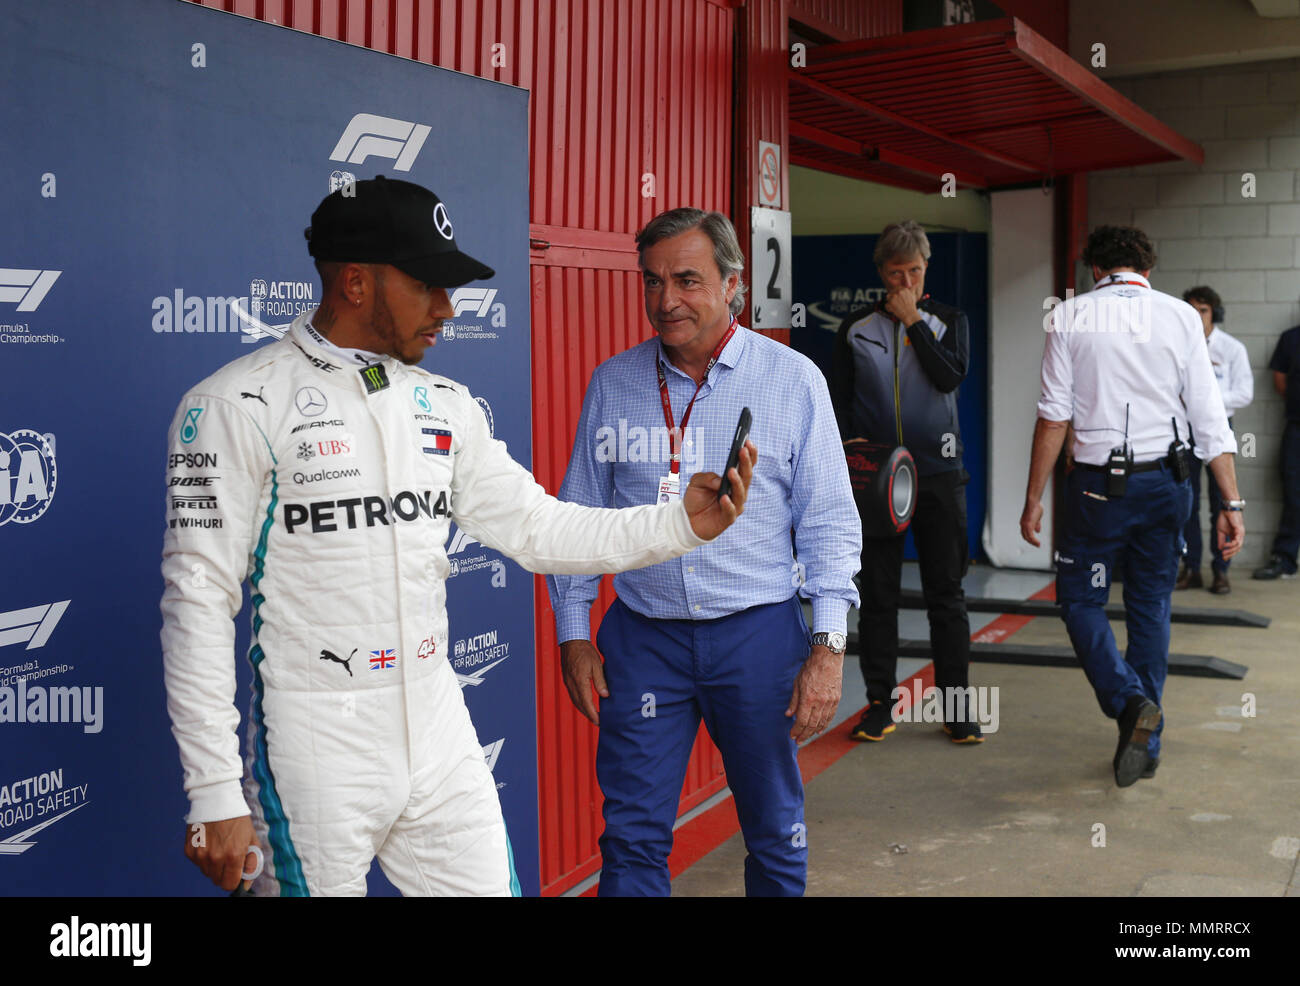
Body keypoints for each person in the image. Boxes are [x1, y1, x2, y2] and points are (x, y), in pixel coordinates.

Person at [160, 178, 754, 897]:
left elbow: (540, 528)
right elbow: (197, 600)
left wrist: (678, 524)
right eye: (428, 284)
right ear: (355, 282)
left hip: (438, 724)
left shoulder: (444, 405)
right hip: (316, 740)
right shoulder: (234, 404)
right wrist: (215, 791)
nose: (448, 307)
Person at [547, 207, 860, 897]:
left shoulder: (793, 381)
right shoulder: (614, 383)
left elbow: (831, 525)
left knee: (775, 831)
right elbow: (577, 522)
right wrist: (573, 634)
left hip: (759, 637)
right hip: (644, 640)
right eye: (652, 282)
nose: (665, 301)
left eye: (687, 280)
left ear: (732, 283)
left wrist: (828, 651)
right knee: (631, 838)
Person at [1020, 225, 1244, 787]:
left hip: (1099, 490)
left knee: (1080, 599)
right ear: (1147, 267)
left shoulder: (1070, 316)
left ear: (1094, 269)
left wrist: (1032, 499)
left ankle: (1128, 703)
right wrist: (1232, 502)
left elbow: (1054, 414)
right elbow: (1209, 417)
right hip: (1170, 485)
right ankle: (1148, 739)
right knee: (1150, 608)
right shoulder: (1181, 317)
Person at [829, 220, 981, 744]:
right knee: (878, 594)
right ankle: (879, 705)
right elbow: (841, 405)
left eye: (914, 272)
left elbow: (949, 377)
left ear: (925, 269)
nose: (905, 282)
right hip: (878, 483)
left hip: (939, 475)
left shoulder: (948, 320)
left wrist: (914, 320)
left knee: (947, 594)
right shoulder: (855, 328)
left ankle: (957, 708)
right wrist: (853, 457)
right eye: (896, 274)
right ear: (881, 274)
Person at [1175, 287, 1251, 594]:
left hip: (1220, 426)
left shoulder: (1232, 349)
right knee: (1187, 500)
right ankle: (1192, 568)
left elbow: (1245, 393)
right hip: (1184, 429)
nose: (1197, 316)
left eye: (1203, 310)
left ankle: (1221, 570)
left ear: (1214, 314)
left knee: (1222, 500)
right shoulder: (1177, 346)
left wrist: (1205, 395)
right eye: (1191, 309)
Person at [1252, 323, 1300, 580]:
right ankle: (1284, 558)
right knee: (1293, 494)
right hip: (1296, 427)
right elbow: (1280, 380)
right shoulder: (1291, 337)